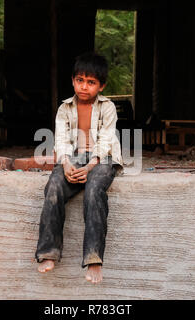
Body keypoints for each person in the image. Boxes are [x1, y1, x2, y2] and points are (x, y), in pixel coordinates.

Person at [35, 52, 124, 284]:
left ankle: (94, 259)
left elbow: (106, 141)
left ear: (101, 86)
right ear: (73, 80)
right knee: (54, 186)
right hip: (73, 158)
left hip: (102, 159)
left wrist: (91, 166)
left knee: (94, 190)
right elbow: (61, 139)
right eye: (80, 80)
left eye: (91, 82)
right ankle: (48, 252)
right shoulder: (65, 108)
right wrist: (65, 163)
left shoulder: (108, 107)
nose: (84, 87)